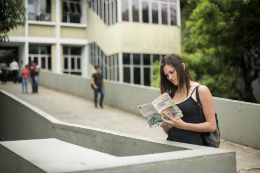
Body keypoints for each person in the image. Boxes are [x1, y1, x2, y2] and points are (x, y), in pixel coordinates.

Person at [159, 54, 216, 146]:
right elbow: (174, 131)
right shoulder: (170, 95)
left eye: (172, 72)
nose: (170, 77)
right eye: (166, 75)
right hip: (171, 146)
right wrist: (165, 126)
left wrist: (184, 125)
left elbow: (212, 126)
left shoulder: (201, 90)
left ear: (183, 66)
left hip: (195, 148)